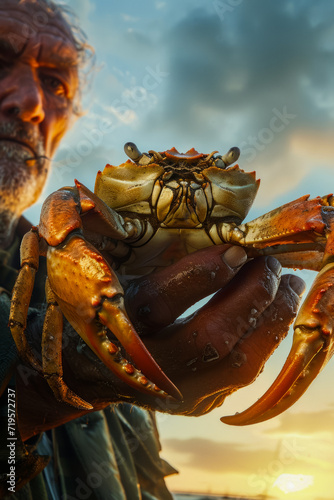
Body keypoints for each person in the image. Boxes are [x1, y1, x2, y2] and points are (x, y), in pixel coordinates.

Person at [0, 0, 306, 498]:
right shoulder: (71, 230)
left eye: (56, 84)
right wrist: (34, 399)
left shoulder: (89, 269)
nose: (32, 102)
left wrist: (140, 382)